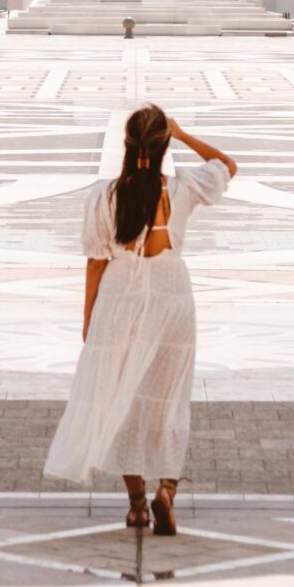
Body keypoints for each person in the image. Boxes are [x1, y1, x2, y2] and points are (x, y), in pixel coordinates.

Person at [44, 103, 238, 534]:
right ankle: (167, 490)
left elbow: (96, 262)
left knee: (122, 398)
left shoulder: (106, 195)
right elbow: (226, 165)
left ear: (127, 146)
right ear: (164, 144)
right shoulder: (183, 187)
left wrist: (88, 317)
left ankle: (136, 505)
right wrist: (183, 134)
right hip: (172, 294)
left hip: (121, 296)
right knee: (170, 399)